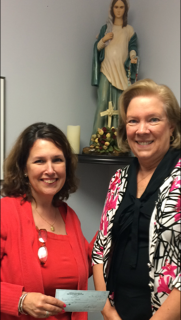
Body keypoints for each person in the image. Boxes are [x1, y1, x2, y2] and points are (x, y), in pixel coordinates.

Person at [92, 79, 181, 320]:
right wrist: (107, 311)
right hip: (118, 310)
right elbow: (100, 249)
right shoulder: (118, 180)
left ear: (172, 125)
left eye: (153, 119)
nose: (142, 130)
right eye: (133, 121)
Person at [1, 122, 96, 320]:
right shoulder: (6, 212)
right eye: (39, 161)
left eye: (57, 160)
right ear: (24, 168)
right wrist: (20, 300)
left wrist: (112, 227)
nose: (50, 170)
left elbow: (81, 268)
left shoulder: (68, 215)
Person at [91, 0, 138, 136]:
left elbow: (132, 47)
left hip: (121, 72)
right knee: (103, 101)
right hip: (106, 69)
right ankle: (96, 138)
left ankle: (118, 140)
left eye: (121, 7)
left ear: (125, 9)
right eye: (116, 7)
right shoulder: (105, 28)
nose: (118, 10)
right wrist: (103, 40)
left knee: (120, 105)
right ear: (112, 9)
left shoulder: (128, 29)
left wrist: (133, 57)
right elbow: (97, 49)